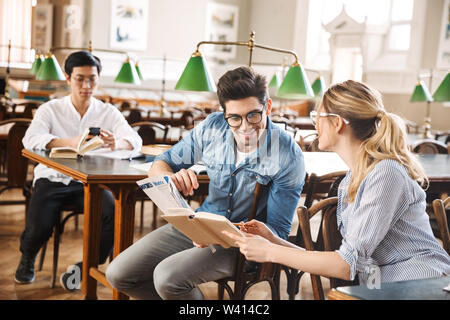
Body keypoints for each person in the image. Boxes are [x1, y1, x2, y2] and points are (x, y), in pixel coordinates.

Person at [106, 66, 306, 299]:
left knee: (167, 277)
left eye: (253, 115)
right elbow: (161, 162)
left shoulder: (287, 154)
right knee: (119, 274)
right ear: (224, 115)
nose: (245, 127)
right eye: (234, 118)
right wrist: (169, 178)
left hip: (242, 244)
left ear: (267, 107)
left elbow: (277, 233)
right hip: (198, 225)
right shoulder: (213, 128)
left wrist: (231, 233)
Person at [223, 80, 450, 285]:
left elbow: (346, 265)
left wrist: (270, 252)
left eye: (317, 118)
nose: (315, 125)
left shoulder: (386, 173)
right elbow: (343, 261)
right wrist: (273, 242)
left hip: (424, 282)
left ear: (338, 123)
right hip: (383, 284)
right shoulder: (353, 178)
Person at [14, 51, 142, 290]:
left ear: (98, 78)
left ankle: (84, 268)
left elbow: (134, 140)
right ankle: (27, 257)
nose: (86, 85)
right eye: (80, 79)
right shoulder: (50, 109)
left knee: (112, 216)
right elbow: (30, 139)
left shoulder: (107, 112)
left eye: (92, 79)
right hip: (53, 178)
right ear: (68, 78)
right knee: (39, 226)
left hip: (91, 182)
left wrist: (118, 143)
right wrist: (70, 142)